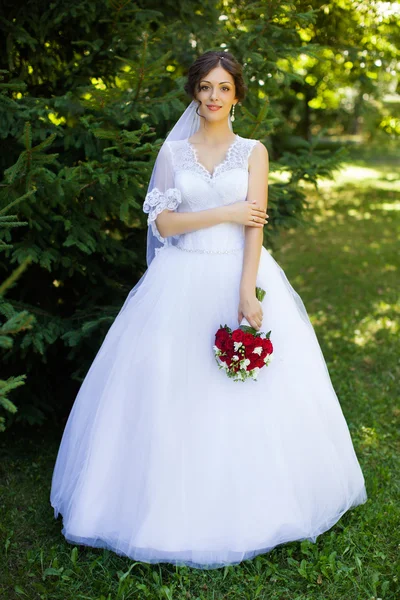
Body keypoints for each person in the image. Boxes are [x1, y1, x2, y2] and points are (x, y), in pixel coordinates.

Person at [50, 51, 367, 570]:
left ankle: (258, 501)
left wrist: (247, 293)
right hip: (180, 279)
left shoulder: (254, 152)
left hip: (241, 271)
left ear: (237, 95)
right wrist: (223, 210)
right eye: (205, 87)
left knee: (248, 392)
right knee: (169, 384)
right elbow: (164, 226)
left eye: (223, 87)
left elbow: (255, 226)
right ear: (195, 94)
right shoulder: (174, 153)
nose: (214, 96)